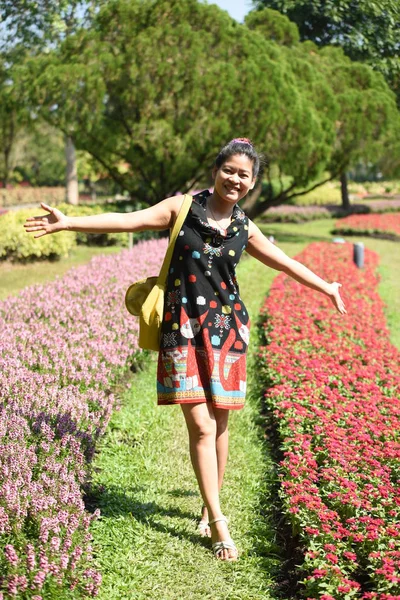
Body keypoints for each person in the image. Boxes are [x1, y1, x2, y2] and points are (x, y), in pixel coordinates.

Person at [24, 138, 346, 562]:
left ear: (251, 184)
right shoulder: (181, 208)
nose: (234, 178)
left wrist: (326, 286)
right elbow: (128, 220)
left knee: (221, 426)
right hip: (182, 331)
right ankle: (218, 521)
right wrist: (69, 223)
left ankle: (208, 502)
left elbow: (283, 260)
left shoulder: (244, 227)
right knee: (201, 427)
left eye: (243, 174)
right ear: (216, 170)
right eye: (228, 169)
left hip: (227, 333)